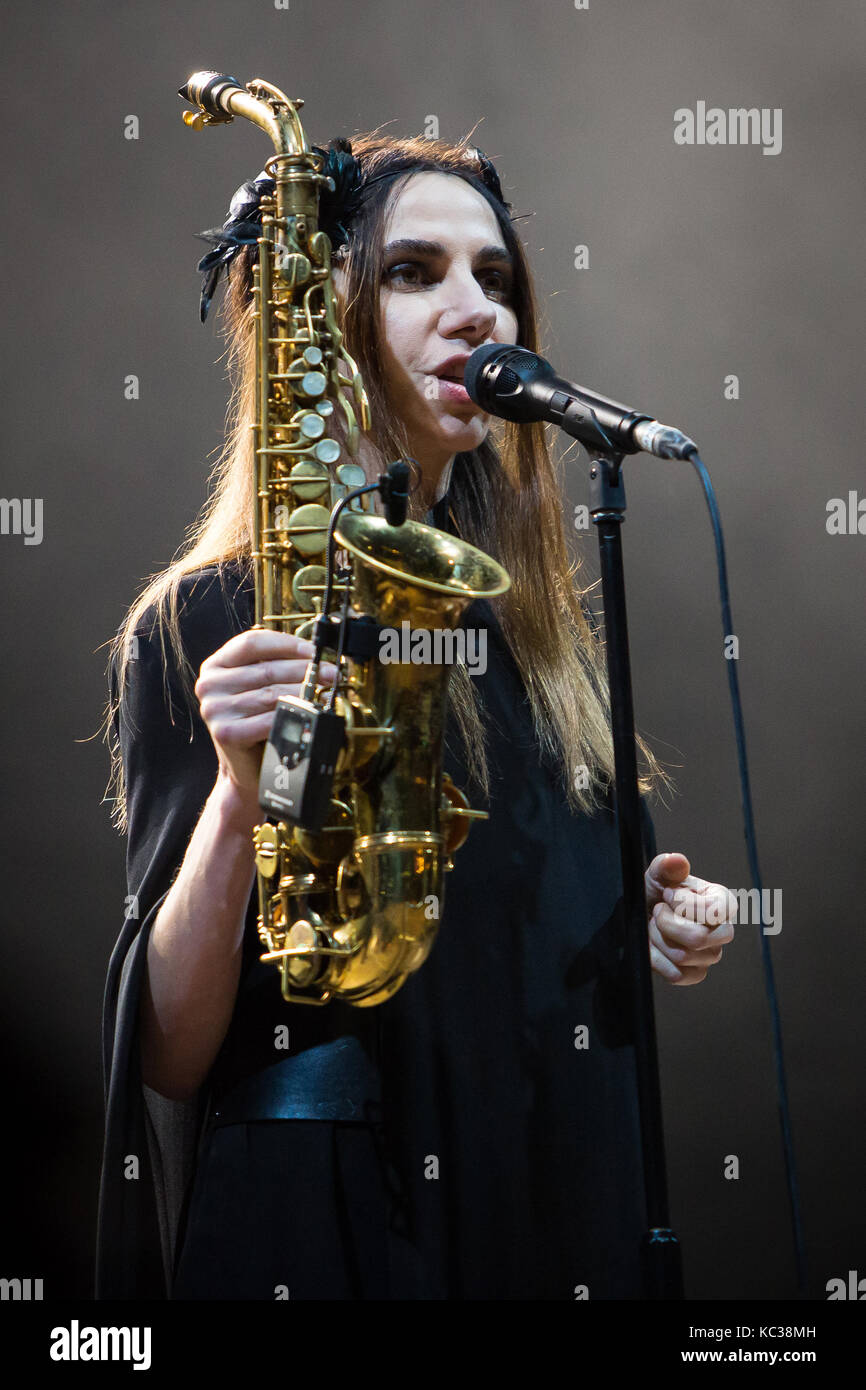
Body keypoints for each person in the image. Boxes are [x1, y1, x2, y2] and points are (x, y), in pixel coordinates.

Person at [96, 130, 737, 1301]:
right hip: (333, 1223)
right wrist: (244, 801)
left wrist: (648, 919)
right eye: (413, 272)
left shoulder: (540, 641)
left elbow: (548, 925)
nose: (475, 310)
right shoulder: (212, 618)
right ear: (324, 321)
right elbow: (169, 1055)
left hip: (543, 1205)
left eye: (494, 280)